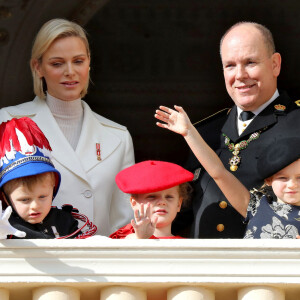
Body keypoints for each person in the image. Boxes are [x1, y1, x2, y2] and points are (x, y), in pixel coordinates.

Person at [0, 19, 135, 236]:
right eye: (57, 63)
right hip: (28, 260)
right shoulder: (7, 121)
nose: (70, 71)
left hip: (99, 263)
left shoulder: (118, 136)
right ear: (38, 67)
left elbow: (124, 222)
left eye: (78, 61)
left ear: (89, 62)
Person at [169, 21, 300, 238]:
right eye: (230, 65)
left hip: (271, 267)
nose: (239, 75)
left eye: (250, 62)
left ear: (275, 64)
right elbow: (180, 211)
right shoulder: (203, 133)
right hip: (205, 266)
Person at [156, 105, 300, 239]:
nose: (292, 185)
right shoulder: (256, 207)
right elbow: (218, 173)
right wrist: (189, 133)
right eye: (283, 178)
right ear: (269, 180)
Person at [0, 117, 97, 239]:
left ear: (53, 190)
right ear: (6, 199)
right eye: (25, 200)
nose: (35, 206)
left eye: (42, 197)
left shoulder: (64, 221)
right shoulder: (6, 227)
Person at [109, 160, 193, 239]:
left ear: (179, 204)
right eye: (152, 197)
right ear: (134, 203)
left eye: (169, 197)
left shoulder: (190, 247)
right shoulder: (122, 238)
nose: (162, 202)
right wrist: (139, 239)